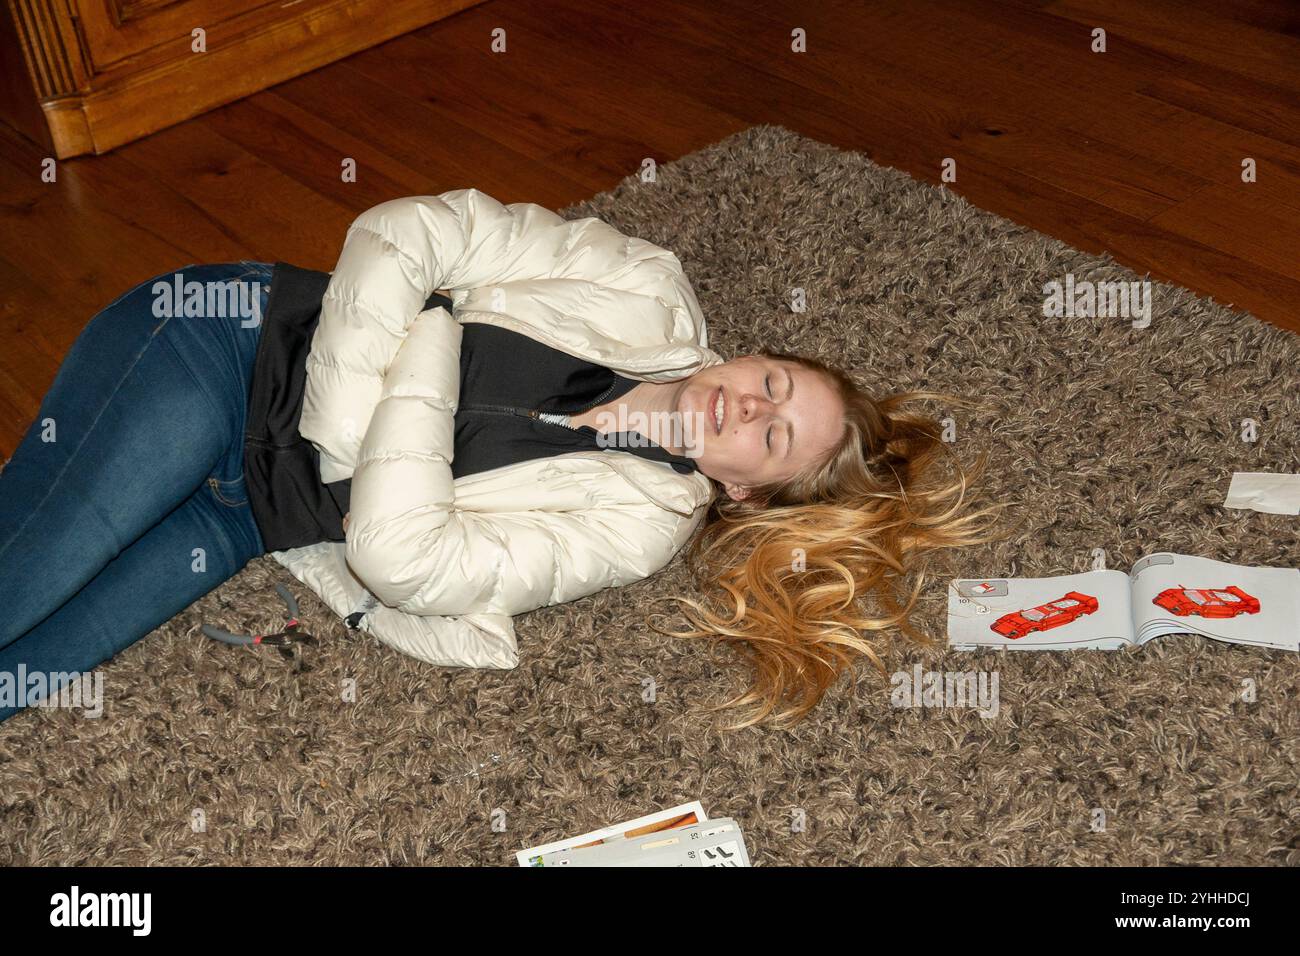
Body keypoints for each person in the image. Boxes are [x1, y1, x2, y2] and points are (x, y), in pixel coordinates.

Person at [0, 189, 992, 727]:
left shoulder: (636, 527)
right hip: (223, 348)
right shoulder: (643, 287)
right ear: (755, 354)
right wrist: (349, 454)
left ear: (744, 486)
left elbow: (403, 561)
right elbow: (406, 233)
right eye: (773, 380)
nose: (749, 403)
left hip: (241, 516)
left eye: (771, 435)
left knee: (26, 671)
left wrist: (428, 342)